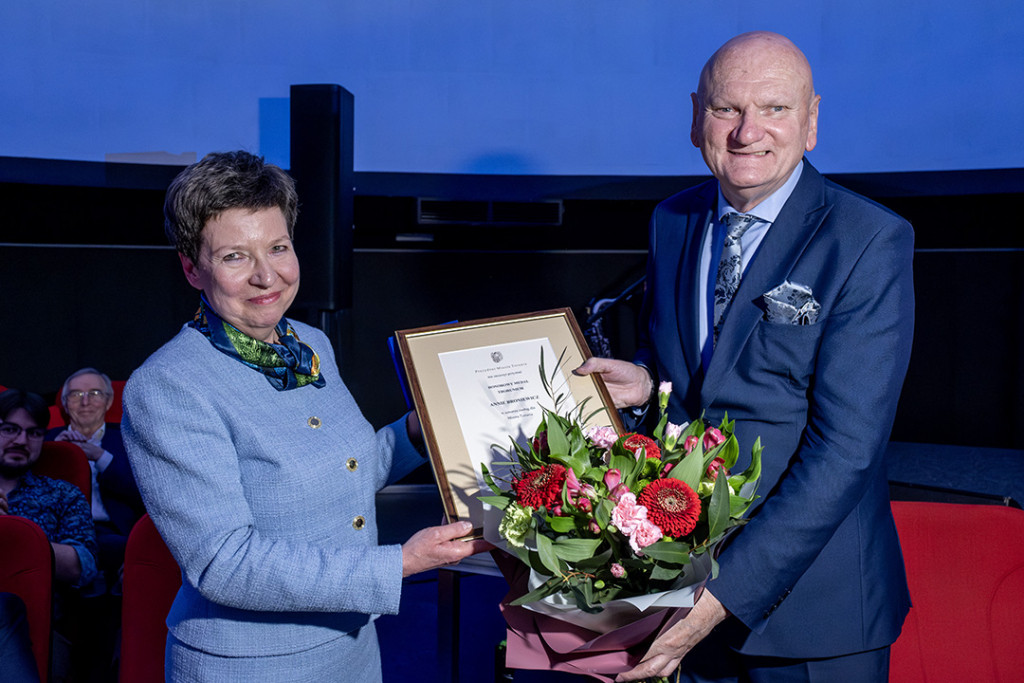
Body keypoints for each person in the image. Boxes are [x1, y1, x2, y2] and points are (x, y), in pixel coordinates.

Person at [577, 32, 914, 681]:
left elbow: (846, 450)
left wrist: (720, 597)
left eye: (775, 109)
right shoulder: (672, 220)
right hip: (681, 582)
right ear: (695, 115)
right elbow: (702, 371)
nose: (746, 131)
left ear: (811, 121)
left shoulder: (868, 239)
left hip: (814, 614)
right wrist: (650, 383)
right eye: (727, 108)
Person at [121, 150, 488, 682]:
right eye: (234, 257)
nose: (266, 276)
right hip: (250, 666)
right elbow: (225, 563)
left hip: (355, 647)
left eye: (278, 247)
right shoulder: (167, 387)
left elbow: (344, 467)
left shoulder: (309, 344)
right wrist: (398, 564)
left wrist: (420, 427)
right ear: (191, 268)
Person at [48, 368, 144, 585]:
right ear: (64, 403)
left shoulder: (129, 440)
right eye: (76, 395)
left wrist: (101, 457)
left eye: (95, 394)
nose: (85, 402)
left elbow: (145, 494)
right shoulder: (46, 441)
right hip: (58, 531)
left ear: (109, 402)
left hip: (111, 529)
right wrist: (56, 454)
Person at [0, 389, 98, 589]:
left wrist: (14, 536)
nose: (21, 441)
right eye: (10, 429)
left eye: (34, 433)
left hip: (27, 606)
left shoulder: (63, 494)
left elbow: (83, 568)